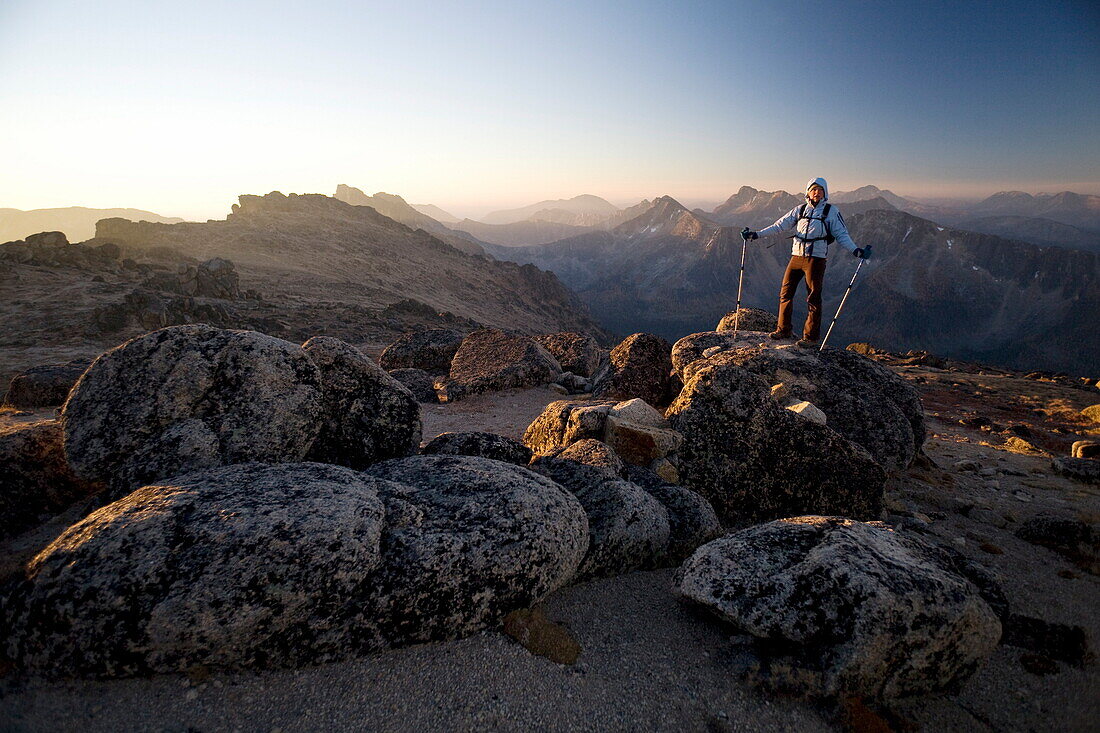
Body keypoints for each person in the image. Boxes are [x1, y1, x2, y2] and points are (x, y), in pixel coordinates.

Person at [741, 177, 867, 348]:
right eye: (813, 189)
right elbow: (779, 225)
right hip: (796, 257)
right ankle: (783, 329)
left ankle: (811, 338)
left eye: (820, 190)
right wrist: (756, 234)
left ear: (825, 193)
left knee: (813, 297)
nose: (816, 192)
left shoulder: (831, 211)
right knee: (785, 292)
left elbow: (841, 234)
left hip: (816, 259)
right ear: (807, 192)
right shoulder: (799, 210)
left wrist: (855, 250)